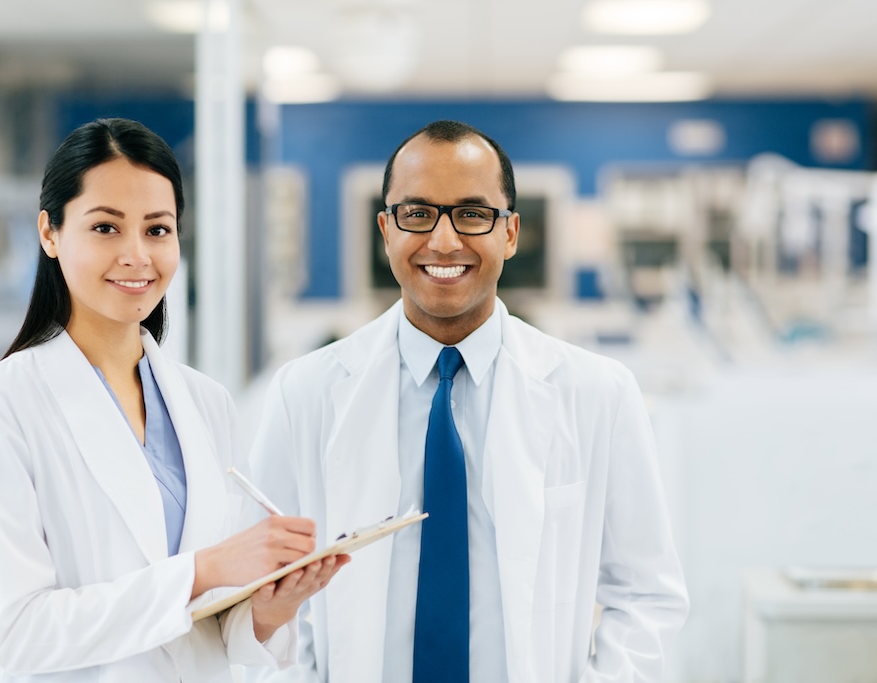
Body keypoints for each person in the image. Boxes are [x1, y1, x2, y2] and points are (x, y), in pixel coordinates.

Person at [247, 120, 689, 682]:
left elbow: (646, 595)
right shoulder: (304, 392)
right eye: (417, 214)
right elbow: (260, 597)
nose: (444, 240)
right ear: (386, 231)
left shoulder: (598, 393)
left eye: (472, 214)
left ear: (510, 233)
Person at [0, 118, 348, 683]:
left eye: (158, 230)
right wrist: (200, 571)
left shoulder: (205, 403)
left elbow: (207, 620)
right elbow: (20, 634)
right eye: (106, 228)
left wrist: (268, 608)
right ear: (50, 233)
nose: (137, 255)